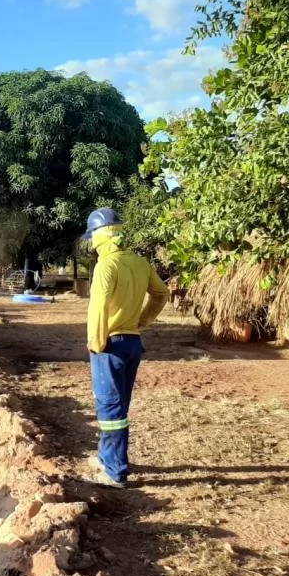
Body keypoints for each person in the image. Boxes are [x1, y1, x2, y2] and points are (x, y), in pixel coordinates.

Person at [83, 208, 168, 488]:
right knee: (119, 407)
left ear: (99, 236)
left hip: (110, 345)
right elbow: (161, 294)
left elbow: (97, 308)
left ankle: (114, 472)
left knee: (110, 410)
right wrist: (142, 321)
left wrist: (96, 343)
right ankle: (108, 458)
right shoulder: (140, 263)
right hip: (132, 343)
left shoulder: (106, 266)